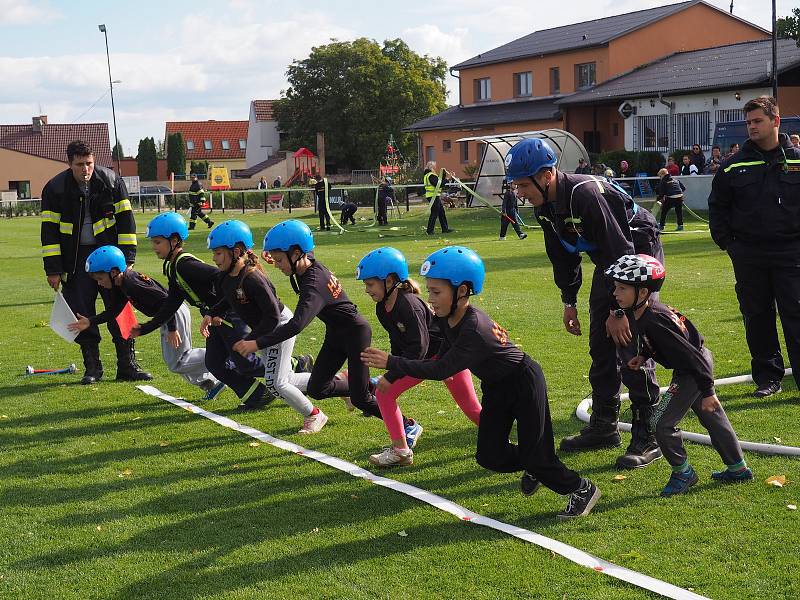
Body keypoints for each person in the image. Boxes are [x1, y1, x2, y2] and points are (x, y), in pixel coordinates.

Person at [362, 246, 600, 518]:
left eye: (436, 292)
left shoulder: (474, 327)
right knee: (489, 456)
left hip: (524, 382)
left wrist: (391, 363)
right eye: (429, 291)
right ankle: (536, 466)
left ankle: (581, 488)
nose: (430, 298)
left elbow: (441, 369)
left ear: (462, 291)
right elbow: (436, 351)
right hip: (497, 386)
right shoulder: (448, 317)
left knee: (538, 456)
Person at [505, 137, 664, 469]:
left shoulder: (586, 194)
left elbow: (621, 251)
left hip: (636, 255)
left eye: (522, 183)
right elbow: (562, 257)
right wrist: (569, 301)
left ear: (546, 174)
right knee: (599, 343)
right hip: (611, 261)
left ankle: (649, 436)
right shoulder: (543, 206)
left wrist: (620, 311)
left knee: (629, 343)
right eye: (515, 184)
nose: (518, 191)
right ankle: (605, 427)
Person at [253, 220, 422, 443]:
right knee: (316, 388)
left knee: (361, 399)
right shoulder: (305, 266)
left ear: (296, 254)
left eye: (279, 260)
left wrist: (255, 343)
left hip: (355, 334)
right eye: (274, 260)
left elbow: (297, 325)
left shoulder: (313, 281)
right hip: (336, 333)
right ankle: (357, 382)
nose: (276, 265)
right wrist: (278, 255)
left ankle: (408, 425)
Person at [605, 254, 753, 496]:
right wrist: (643, 356)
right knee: (712, 418)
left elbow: (690, 355)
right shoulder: (643, 312)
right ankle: (738, 469)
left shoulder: (655, 319)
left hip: (693, 369)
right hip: (694, 365)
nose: (615, 293)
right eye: (615, 287)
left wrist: (708, 391)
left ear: (642, 293)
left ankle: (684, 473)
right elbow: (657, 342)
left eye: (622, 288)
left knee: (660, 423)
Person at [132, 212, 272, 411]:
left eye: (157, 242)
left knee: (245, 363)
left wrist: (219, 310)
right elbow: (171, 303)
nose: (154, 247)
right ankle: (257, 396)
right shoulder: (172, 266)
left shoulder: (186, 265)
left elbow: (221, 276)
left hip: (227, 315)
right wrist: (146, 328)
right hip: (215, 317)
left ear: (174, 241)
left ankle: (295, 366)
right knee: (214, 364)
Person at [709, 95, 800, 398]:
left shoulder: (798, 158)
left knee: (796, 315)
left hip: (792, 252)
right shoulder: (733, 166)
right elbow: (718, 209)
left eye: (757, 120)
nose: (751, 127)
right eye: (748, 122)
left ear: (776, 121)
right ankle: (767, 377)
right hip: (749, 254)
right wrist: (730, 246)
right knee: (756, 316)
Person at [356, 247, 481, 466]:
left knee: (471, 407)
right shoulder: (382, 307)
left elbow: (419, 348)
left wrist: (392, 374)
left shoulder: (409, 306)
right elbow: (400, 344)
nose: (366, 290)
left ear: (389, 281)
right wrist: (392, 372)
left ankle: (501, 435)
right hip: (425, 359)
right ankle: (401, 451)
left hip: (444, 358)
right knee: (385, 394)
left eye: (369, 284)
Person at [40, 140, 149, 384]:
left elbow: (127, 224)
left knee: (120, 310)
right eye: (80, 165)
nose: (85, 169)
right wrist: (53, 269)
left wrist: (127, 260)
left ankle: (127, 366)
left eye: (89, 163)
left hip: (110, 259)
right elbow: (49, 233)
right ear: (70, 164)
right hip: (75, 262)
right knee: (82, 312)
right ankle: (93, 368)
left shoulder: (112, 182)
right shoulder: (55, 189)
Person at [203, 221, 327, 433]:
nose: (214, 258)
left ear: (236, 252)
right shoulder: (226, 276)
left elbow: (272, 317)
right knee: (282, 380)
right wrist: (212, 312)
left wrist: (253, 340)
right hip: (267, 328)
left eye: (218, 253)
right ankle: (338, 384)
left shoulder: (253, 278)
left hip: (279, 325)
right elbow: (229, 299)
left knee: (276, 383)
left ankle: (314, 415)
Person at [72, 245, 224, 399]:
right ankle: (211, 382)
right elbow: (114, 310)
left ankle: (222, 356)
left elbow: (166, 301)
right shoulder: (121, 284)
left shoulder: (132, 284)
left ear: (113, 272)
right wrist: (91, 321)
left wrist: (172, 328)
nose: (99, 283)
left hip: (173, 314)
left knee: (178, 361)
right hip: (169, 315)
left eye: (100, 278)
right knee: (175, 361)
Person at [423, 161, 454, 235]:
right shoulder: (431, 175)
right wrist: (447, 179)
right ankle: (430, 231)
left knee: (441, 212)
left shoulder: (429, 175)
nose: (436, 168)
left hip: (433, 196)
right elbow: (439, 184)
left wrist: (443, 174)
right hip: (433, 196)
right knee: (434, 213)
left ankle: (445, 229)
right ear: (432, 167)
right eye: (435, 166)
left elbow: (439, 181)